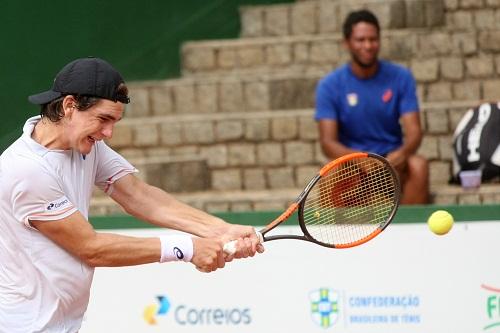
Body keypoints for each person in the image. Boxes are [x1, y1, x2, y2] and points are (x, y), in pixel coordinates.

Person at [0, 57, 264, 333]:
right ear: (69, 106)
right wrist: (188, 248)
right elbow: (91, 248)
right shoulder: (26, 171)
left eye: (114, 122)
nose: (108, 133)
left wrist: (221, 230)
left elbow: (139, 195)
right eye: (103, 119)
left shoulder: (83, 144)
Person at [315, 9, 429, 204]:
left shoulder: (401, 77)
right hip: (351, 163)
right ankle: (340, 233)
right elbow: (327, 142)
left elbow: (415, 132)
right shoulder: (329, 85)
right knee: (329, 176)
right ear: (347, 43)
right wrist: (360, 159)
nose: (368, 46)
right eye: (360, 40)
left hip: (392, 162)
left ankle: (410, 227)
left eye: (373, 39)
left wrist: (401, 154)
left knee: (418, 165)